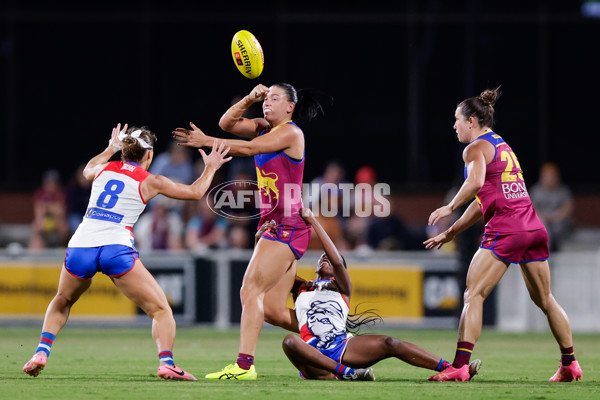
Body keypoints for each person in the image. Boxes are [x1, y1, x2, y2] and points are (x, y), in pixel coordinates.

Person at [22, 123, 231, 381]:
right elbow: (196, 192)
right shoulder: (151, 181)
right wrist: (211, 166)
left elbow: (87, 169)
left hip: (81, 245)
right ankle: (166, 363)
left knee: (62, 300)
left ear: (124, 151)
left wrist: (110, 148)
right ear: (150, 155)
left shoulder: (102, 169)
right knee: (161, 310)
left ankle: (41, 352)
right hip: (115, 248)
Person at [423, 87, 582, 382]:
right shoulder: (501, 144)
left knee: (473, 294)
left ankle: (459, 366)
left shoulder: (473, 149)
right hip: (533, 228)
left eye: (456, 119)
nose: (453, 125)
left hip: (507, 229)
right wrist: (453, 231)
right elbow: (484, 200)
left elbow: (474, 184)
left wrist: (449, 206)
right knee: (545, 299)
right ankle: (570, 364)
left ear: (471, 120)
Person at [173, 83, 325, 380]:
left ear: (290, 107)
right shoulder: (263, 127)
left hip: (287, 225)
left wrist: (208, 141)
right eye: (266, 98)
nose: (268, 103)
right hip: (276, 224)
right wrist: (249, 98)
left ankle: (244, 366)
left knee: (249, 290)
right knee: (273, 310)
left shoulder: (291, 132)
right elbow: (227, 123)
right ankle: (332, 333)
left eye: (275, 99)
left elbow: (250, 149)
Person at [281, 208, 481, 381]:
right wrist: (260, 240)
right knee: (290, 341)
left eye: (331, 257)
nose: (326, 257)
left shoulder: (342, 286)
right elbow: (279, 264)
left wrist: (313, 220)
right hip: (312, 354)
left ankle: (449, 368)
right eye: (322, 258)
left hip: (342, 346)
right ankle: (347, 373)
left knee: (390, 343)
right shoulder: (301, 287)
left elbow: (337, 262)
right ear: (315, 267)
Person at [530, 162, 574, 252]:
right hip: (542, 221)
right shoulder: (536, 191)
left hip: (558, 222)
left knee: (558, 227)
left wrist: (557, 216)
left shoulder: (563, 191)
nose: (550, 179)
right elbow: (531, 208)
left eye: (552, 176)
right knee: (542, 227)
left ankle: (554, 247)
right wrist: (542, 217)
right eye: (547, 176)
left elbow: (568, 206)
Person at [29, 169, 70, 250]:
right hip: (45, 220)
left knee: (64, 227)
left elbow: (61, 212)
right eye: (48, 182)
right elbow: (38, 212)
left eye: (53, 182)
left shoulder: (60, 193)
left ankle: (61, 249)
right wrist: (52, 208)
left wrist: (47, 207)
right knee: (37, 226)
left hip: (56, 220)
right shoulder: (40, 193)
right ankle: (37, 254)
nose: (51, 184)